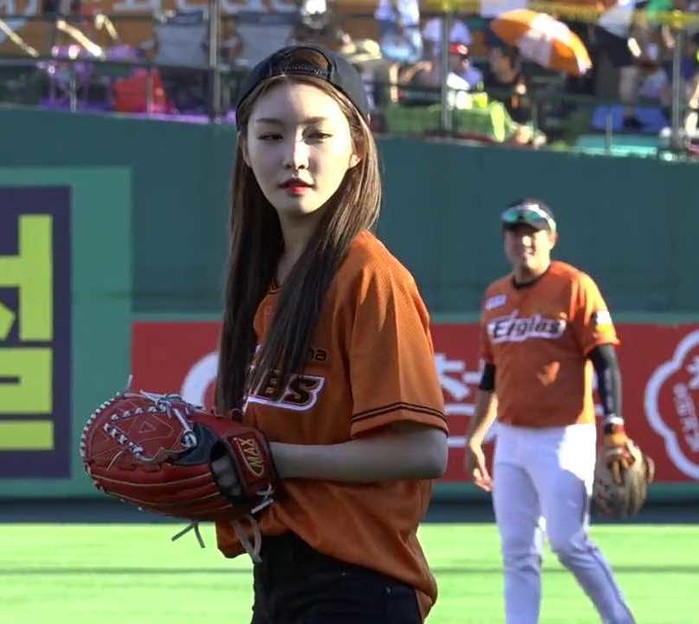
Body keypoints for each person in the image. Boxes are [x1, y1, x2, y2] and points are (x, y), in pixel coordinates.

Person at [214, 44, 449, 623]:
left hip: (358, 585)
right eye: (271, 136)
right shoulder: (262, 280)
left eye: (317, 135)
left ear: (357, 147)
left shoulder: (369, 276)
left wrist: (269, 459)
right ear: (245, 149)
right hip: (279, 579)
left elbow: (423, 450)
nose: (294, 157)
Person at [464, 199, 637, 624]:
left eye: (533, 233)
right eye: (515, 232)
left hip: (565, 435)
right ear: (505, 240)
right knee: (517, 551)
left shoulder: (574, 285)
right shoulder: (495, 296)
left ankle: (621, 620)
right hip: (511, 439)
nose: (523, 240)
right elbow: (491, 376)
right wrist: (474, 437)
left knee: (568, 541)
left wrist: (614, 426)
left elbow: (605, 360)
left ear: (551, 239)